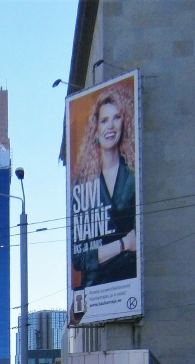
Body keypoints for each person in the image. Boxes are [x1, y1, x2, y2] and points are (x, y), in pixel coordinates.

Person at [71, 85, 138, 289]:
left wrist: (100, 254)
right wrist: (124, 244)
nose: (110, 126)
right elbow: (79, 258)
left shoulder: (134, 175)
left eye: (116, 117)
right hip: (94, 291)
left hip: (129, 286)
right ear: (96, 130)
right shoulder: (83, 184)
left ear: (124, 123)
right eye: (104, 120)